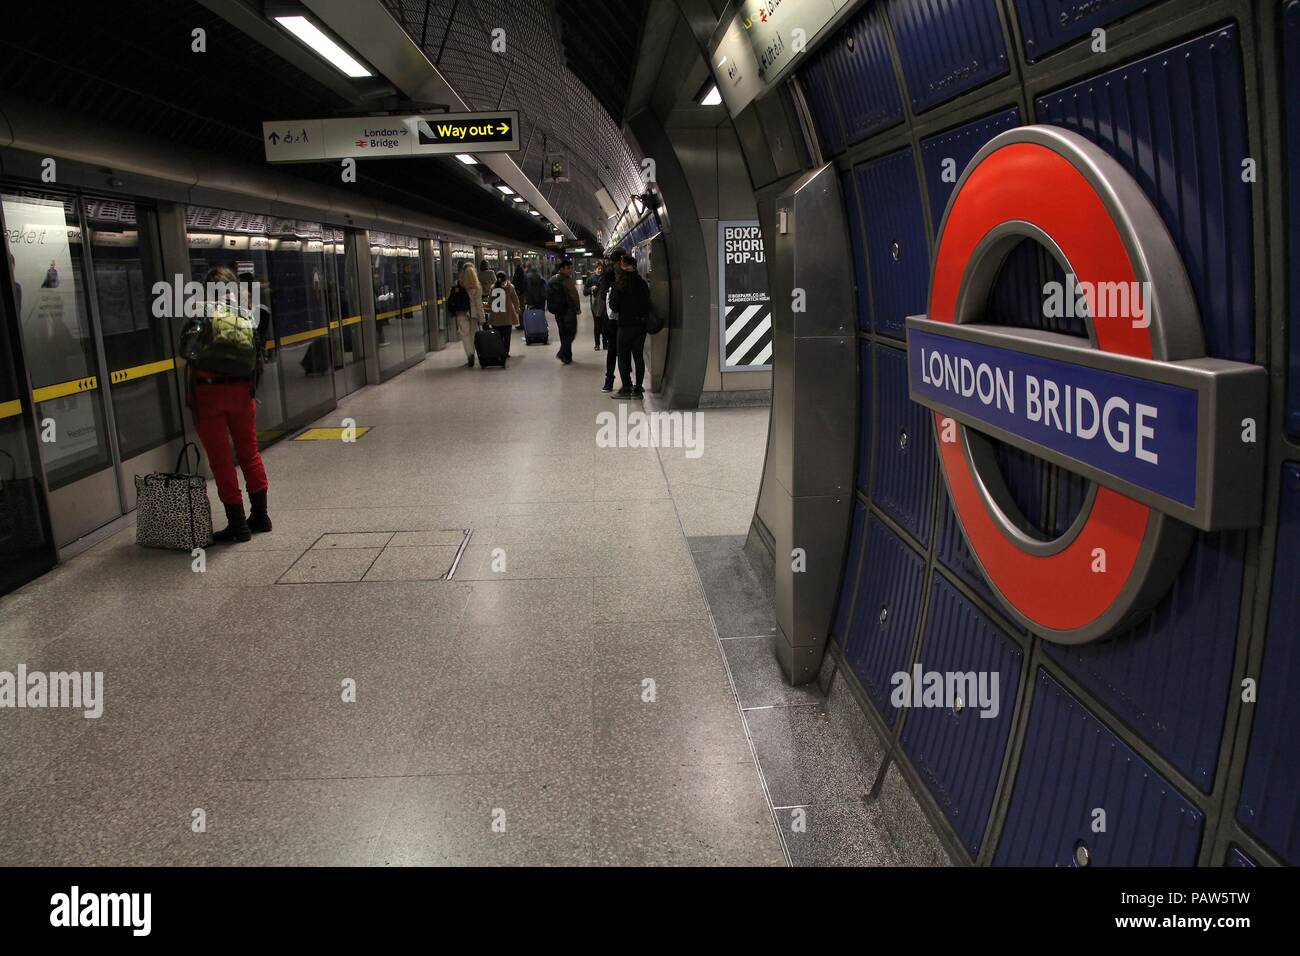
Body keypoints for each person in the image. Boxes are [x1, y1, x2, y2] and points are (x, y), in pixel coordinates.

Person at [189, 265, 271, 542]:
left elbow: (185, 352)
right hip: (242, 394)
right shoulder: (250, 312)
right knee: (250, 453)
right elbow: (260, 355)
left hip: (209, 394)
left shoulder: (202, 311)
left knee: (222, 460)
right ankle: (260, 516)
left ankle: (238, 524)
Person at [608, 253, 650, 399]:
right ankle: (638, 389)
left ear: (623, 266)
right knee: (638, 356)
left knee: (623, 357)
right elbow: (647, 304)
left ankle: (626, 388)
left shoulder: (619, 285)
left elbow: (614, 306)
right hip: (640, 326)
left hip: (625, 326)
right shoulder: (642, 283)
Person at [597, 247, 625, 391]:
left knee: (622, 350)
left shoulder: (628, 274)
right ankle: (609, 379)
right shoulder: (608, 275)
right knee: (613, 349)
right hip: (612, 319)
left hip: (624, 319)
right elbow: (604, 295)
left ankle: (626, 381)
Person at [450, 263, 484, 367]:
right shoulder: (477, 286)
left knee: (465, 335)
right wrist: (482, 318)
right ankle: (473, 353)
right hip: (473, 314)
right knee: (473, 334)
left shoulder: (458, 285)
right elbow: (479, 304)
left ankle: (470, 355)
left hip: (462, 313)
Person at [548, 258, 581, 365]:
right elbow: (574, 295)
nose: (570, 270)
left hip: (557, 311)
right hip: (568, 310)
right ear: (562, 269)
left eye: (570, 268)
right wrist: (577, 308)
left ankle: (567, 357)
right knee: (571, 333)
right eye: (568, 268)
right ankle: (562, 353)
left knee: (563, 333)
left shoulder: (552, 280)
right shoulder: (566, 280)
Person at [487, 270, 519, 359]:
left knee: (498, 336)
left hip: (496, 317)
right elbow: (515, 299)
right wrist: (517, 309)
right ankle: (506, 352)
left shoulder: (493, 288)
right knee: (507, 336)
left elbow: (490, 301)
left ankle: (499, 351)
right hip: (507, 316)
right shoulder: (510, 287)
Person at [589, 259, 608, 351]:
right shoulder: (591, 279)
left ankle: (605, 344)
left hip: (604, 304)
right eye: (598, 269)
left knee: (605, 325)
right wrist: (591, 288)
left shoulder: (606, 278)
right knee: (597, 326)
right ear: (595, 269)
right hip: (594, 305)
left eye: (601, 269)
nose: (600, 270)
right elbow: (585, 292)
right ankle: (597, 344)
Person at [511, 258, 527, 328]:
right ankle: (522, 323)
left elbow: (520, 282)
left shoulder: (519, 270)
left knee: (521, 307)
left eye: (514, 262)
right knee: (521, 307)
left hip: (520, 292)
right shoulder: (520, 269)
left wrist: (518, 291)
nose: (513, 263)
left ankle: (522, 324)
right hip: (521, 291)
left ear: (517, 262)